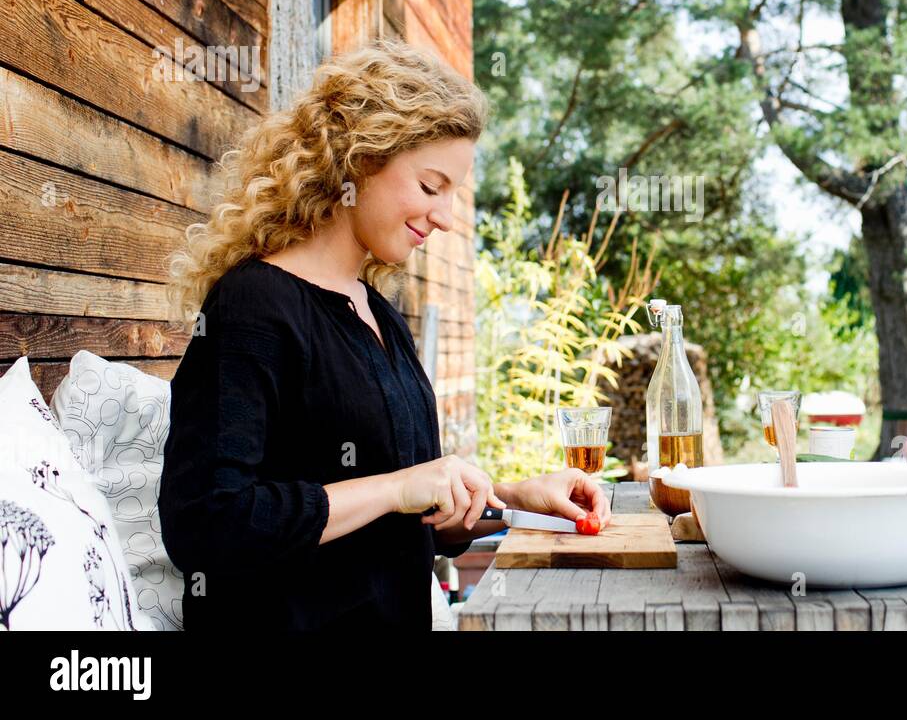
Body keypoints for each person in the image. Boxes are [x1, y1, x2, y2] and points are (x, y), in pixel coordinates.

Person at [159, 38, 610, 630]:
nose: (446, 216)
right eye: (431, 186)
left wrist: (513, 500)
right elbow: (206, 523)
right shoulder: (253, 305)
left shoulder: (378, 314)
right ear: (360, 161)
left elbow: (415, 516)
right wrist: (397, 488)